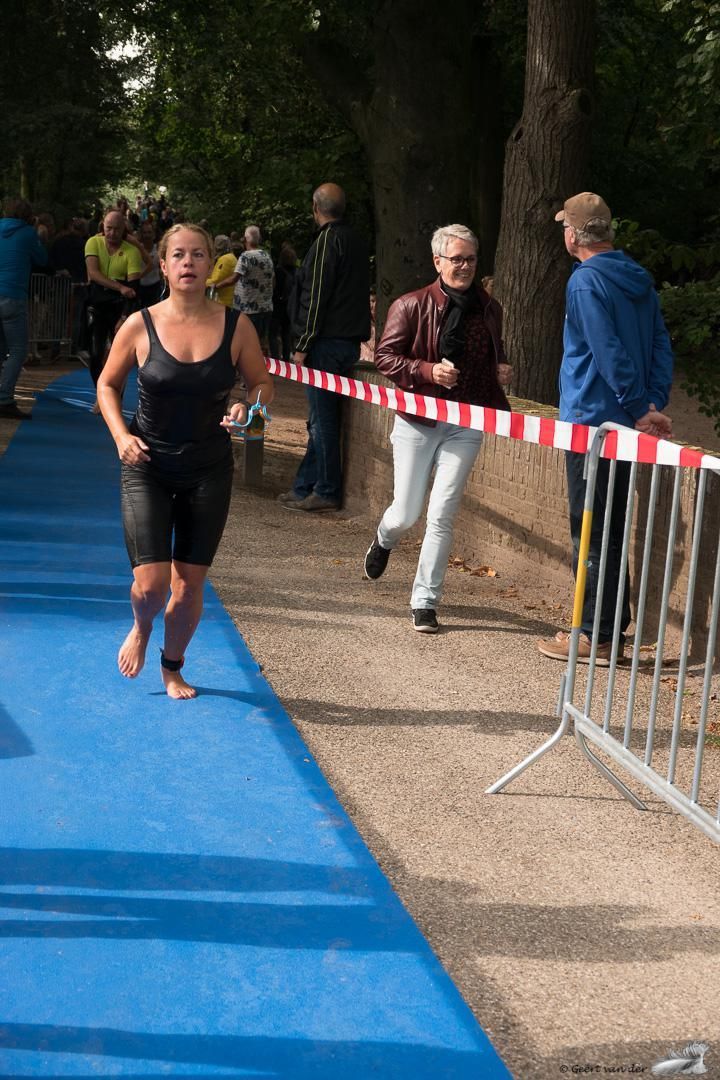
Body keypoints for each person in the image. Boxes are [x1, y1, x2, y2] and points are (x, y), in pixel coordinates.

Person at [97, 223, 274, 700]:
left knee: (188, 585)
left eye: (199, 254)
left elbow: (260, 384)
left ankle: (172, 667)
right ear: (164, 265)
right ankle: (140, 625)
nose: (189, 263)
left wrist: (247, 408)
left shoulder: (237, 325)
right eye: (179, 255)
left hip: (208, 468)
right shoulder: (140, 324)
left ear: (211, 264)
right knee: (152, 587)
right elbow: (107, 386)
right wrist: (120, 436)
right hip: (147, 462)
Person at [537, 192, 674, 665]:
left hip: (592, 424)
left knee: (591, 528)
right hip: (626, 422)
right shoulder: (639, 279)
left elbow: (605, 349)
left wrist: (639, 406)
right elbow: (660, 344)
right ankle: (610, 629)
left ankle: (593, 632)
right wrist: (653, 402)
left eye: (564, 228)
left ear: (574, 235)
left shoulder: (584, 282)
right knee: (611, 525)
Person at [363, 224, 512, 633]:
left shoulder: (489, 308)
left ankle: (425, 601)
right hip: (419, 421)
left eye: (471, 259)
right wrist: (428, 370)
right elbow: (385, 358)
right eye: (457, 259)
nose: (464, 267)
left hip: (467, 422)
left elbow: (491, 352)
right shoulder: (410, 305)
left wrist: (500, 370)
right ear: (437, 261)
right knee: (407, 512)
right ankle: (385, 537)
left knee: (443, 513)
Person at [278, 183, 370, 512]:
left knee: (322, 421)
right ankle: (305, 485)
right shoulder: (356, 242)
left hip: (325, 344)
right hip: (347, 342)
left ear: (316, 209)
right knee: (321, 419)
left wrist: (302, 345)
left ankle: (326, 488)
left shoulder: (327, 242)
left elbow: (315, 297)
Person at [0, 196, 49, 419]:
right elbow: (42, 259)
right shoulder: (28, 233)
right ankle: (5, 399)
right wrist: (37, 231)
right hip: (13, 295)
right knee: (18, 350)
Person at [84, 209, 144, 387]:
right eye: (109, 228)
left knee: (120, 357)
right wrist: (119, 287)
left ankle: (115, 395)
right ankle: (100, 393)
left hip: (119, 307)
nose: (112, 233)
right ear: (103, 225)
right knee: (96, 354)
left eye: (117, 229)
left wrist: (125, 316)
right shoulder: (93, 243)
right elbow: (93, 273)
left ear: (123, 229)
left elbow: (133, 289)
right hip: (97, 304)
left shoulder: (131, 251)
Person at [215, 225, 274, 347]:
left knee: (247, 344)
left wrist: (216, 286)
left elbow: (234, 278)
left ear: (246, 239)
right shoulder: (266, 255)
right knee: (262, 342)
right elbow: (273, 279)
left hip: (248, 308)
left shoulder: (246, 257)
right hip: (266, 307)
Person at [269, 243, 298, 361]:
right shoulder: (297, 271)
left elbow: (273, 287)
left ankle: (275, 359)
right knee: (286, 334)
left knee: (273, 334)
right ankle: (286, 359)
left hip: (278, 305)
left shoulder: (278, 271)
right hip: (291, 307)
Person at [137, 220, 163, 308]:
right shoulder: (137, 249)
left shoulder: (159, 249)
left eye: (149, 232)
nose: (147, 235)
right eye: (144, 232)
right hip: (139, 287)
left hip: (155, 286)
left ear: (154, 234)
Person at [205, 235, 237, 307]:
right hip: (227, 300)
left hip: (224, 302)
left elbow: (216, 280)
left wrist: (201, 282)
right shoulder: (229, 257)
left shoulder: (225, 259)